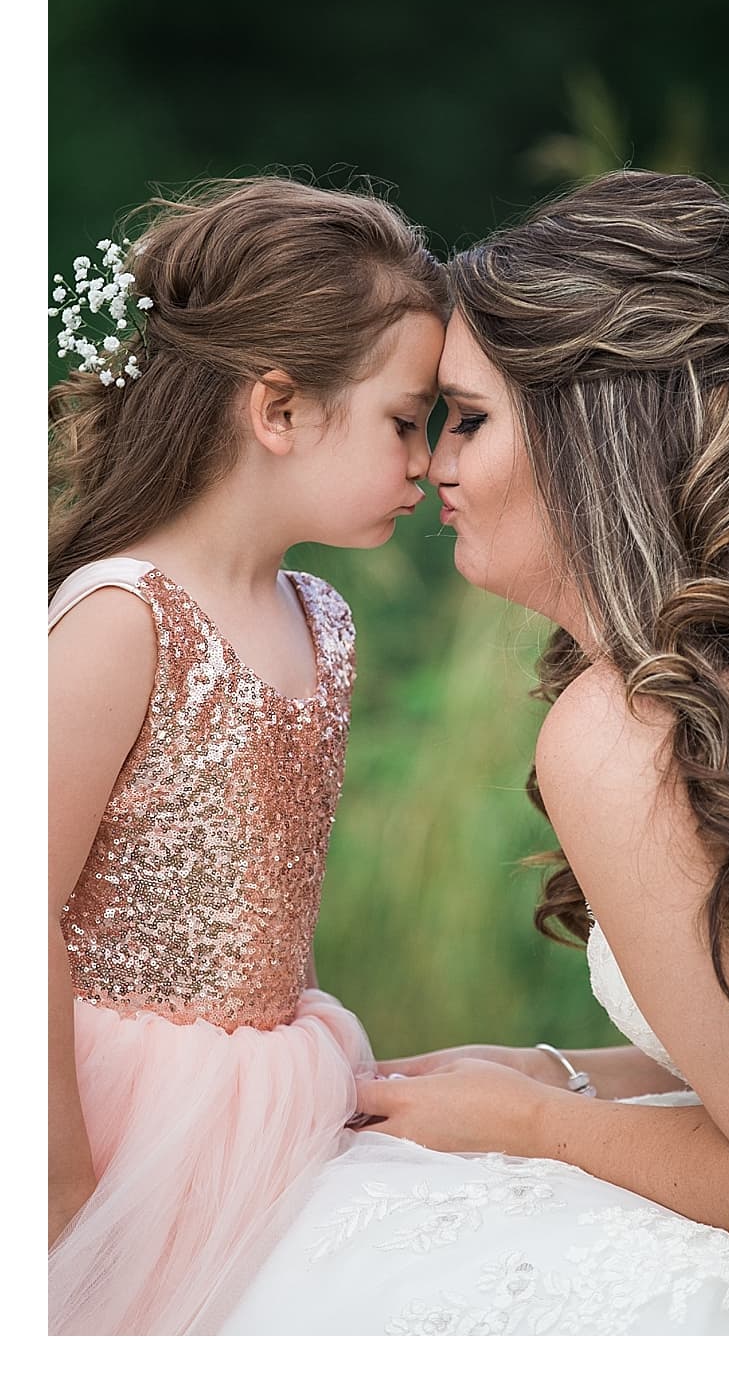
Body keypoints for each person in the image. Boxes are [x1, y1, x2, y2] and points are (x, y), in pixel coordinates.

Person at [221, 171, 729, 1335]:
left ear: (589, 435)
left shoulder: (631, 728)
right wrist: (559, 1070)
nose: (435, 467)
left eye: (467, 419)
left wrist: (528, 1127)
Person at [48, 178, 447, 1333]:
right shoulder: (125, 617)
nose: (424, 462)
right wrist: (63, 1183)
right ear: (279, 408)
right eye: (403, 419)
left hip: (276, 1084)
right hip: (111, 1114)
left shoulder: (322, 616)